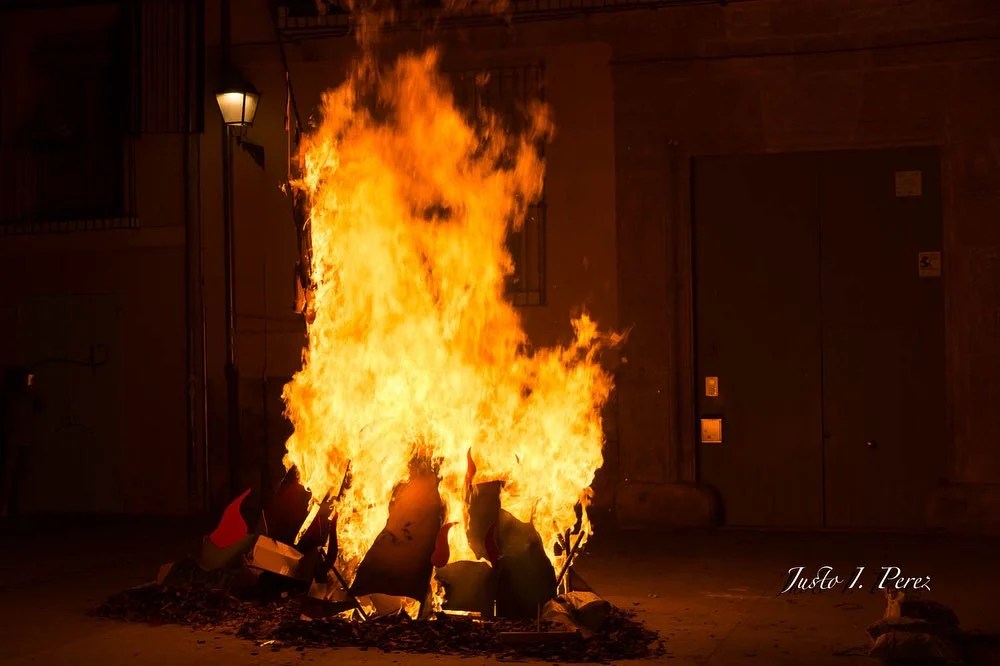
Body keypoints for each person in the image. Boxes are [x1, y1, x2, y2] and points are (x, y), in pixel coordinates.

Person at [1, 366, 38, 519]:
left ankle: (15, 509)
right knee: (8, 474)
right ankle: (4, 508)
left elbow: (40, 405)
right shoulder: (8, 399)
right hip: (11, 441)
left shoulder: (27, 399)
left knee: (19, 474)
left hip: (22, 441)